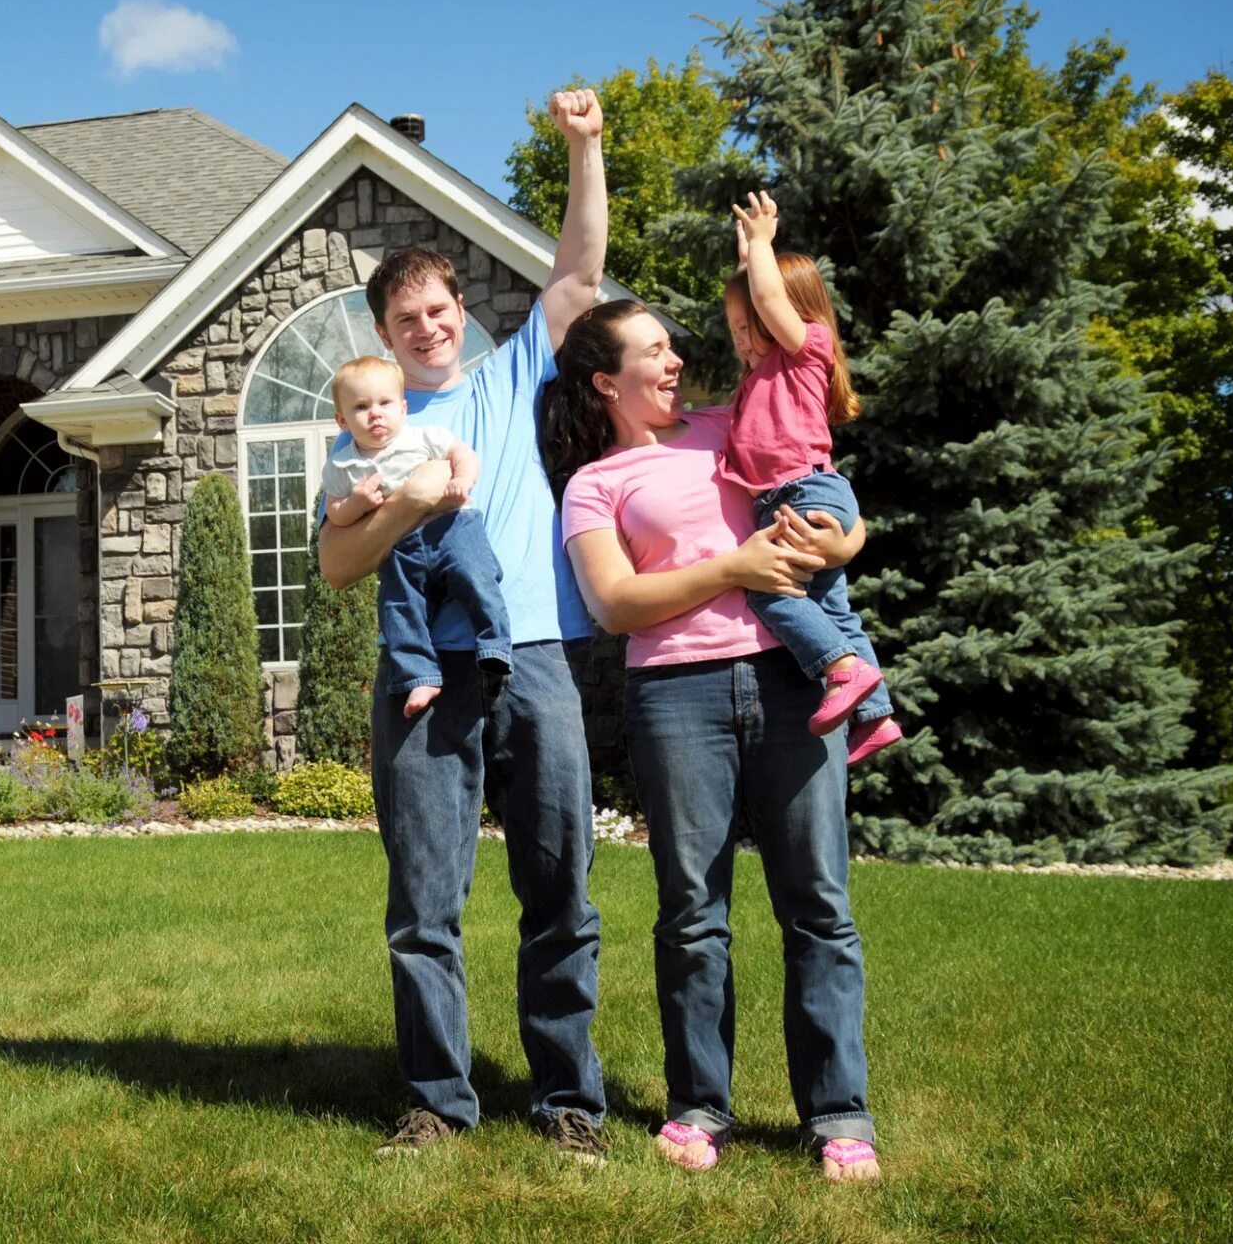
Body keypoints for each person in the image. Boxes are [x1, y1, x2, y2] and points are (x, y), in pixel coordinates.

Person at [319, 88, 608, 1162]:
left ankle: (569, 1097)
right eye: (405, 321)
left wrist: (583, 146)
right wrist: (411, 500)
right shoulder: (366, 431)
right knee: (422, 901)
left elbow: (576, 271)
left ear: (460, 311)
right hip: (420, 680)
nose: (428, 328)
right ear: (382, 335)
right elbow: (339, 561)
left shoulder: (516, 371)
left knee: (558, 888)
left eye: (439, 310)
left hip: (530, 658)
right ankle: (438, 1098)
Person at [545, 299, 883, 1183]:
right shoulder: (595, 483)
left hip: (791, 679)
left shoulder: (734, 422)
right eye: (652, 351)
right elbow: (616, 604)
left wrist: (849, 535)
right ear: (605, 381)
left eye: (671, 346)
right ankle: (699, 1105)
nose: (673, 360)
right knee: (693, 914)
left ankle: (839, 1113)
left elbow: (826, 486)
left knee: (818, 904)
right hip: (676, 695)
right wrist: (732, 568)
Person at [725, 191, 901, 763]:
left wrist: (761, 248)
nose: (742, 340)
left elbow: (771, 298)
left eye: (750, 326)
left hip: (802, 491)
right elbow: (761, 296)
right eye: (734, 330)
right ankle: (876, 719)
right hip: (804, 491)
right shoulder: (754, 382)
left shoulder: (806, 352)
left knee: (768, 591)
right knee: (834, 610)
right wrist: (747, 259)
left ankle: (842, 669)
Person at [322, 354, 512, 718]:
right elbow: (335, 512)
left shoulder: (423, 437)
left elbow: (464, 455)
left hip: (452, 527)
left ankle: (495, 647)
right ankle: (420, 675)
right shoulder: (342, 464)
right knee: (398, 605)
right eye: (361, 407)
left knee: (477, 578)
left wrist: (462, 479)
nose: (375, 413)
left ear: (403, 407)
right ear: (342, 420)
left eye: (385, 403)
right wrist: (358, 502)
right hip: (402, 547)